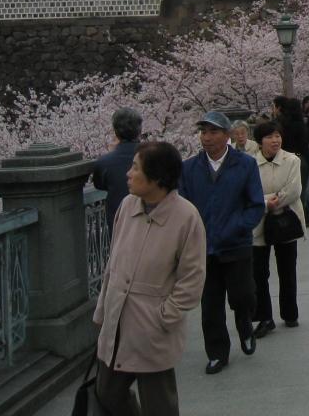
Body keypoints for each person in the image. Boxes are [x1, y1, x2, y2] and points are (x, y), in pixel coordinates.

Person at [93, 141, 206, 416]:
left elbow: (192, 278)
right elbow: (112, 264)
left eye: (135, 168)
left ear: (156, 178)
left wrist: (165, 315)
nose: (128, 174)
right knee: (107, 393)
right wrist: (103, 310)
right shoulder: (127, 206)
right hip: (117, 320)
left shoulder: (186, 217)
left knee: (159, 404)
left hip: (152, 326)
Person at [179, 111, 265, 375]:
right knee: (210, 304)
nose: (207, 137)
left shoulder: (245, 164)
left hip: (236, 244)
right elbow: (182, 206)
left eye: (213, 132)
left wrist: (239, 226)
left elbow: (256, 204)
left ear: (227, 135)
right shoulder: (189, 168)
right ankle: (217, 352)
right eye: (203, 132)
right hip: (204, 247)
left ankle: (245, 324)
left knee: (243, 295)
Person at [251, 120, 305, 336]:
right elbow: (248, 192)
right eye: (269, 137)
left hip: (285, 220)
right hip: (258, 222)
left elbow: (294, 191)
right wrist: (266, 203)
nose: (275, 140)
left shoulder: (291, 160)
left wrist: (271, 201)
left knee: (287, 269)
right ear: (259, 141)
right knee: (258, 272)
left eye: (277, 136)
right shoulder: (249, 163)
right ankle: (264, 317)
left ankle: (290, 313)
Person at [92, 106, 143, 232]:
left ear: (115, 131)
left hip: (119, 224)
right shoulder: (155, 157)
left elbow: (99, 184)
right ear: (140, 130)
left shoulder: (104, 162)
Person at [275, 96, 309, 225]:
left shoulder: (280, 124)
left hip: (285, 159)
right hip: (299, 159)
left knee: (294, 190)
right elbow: (304, 146)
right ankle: (304, 217)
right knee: (301, 189)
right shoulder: (299, 124)